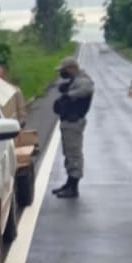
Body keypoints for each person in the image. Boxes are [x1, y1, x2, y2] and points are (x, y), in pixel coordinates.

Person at [51, 56, 94, 198]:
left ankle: (73, 186)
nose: (62, 74)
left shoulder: (83, 80)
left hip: (74, 121)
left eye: (64, 70)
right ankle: (69, 183)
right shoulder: (75, 80)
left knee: (74, 153)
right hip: (68, 122)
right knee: (68, 153)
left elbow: (86, 89)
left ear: (71, 68)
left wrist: (68, 95)